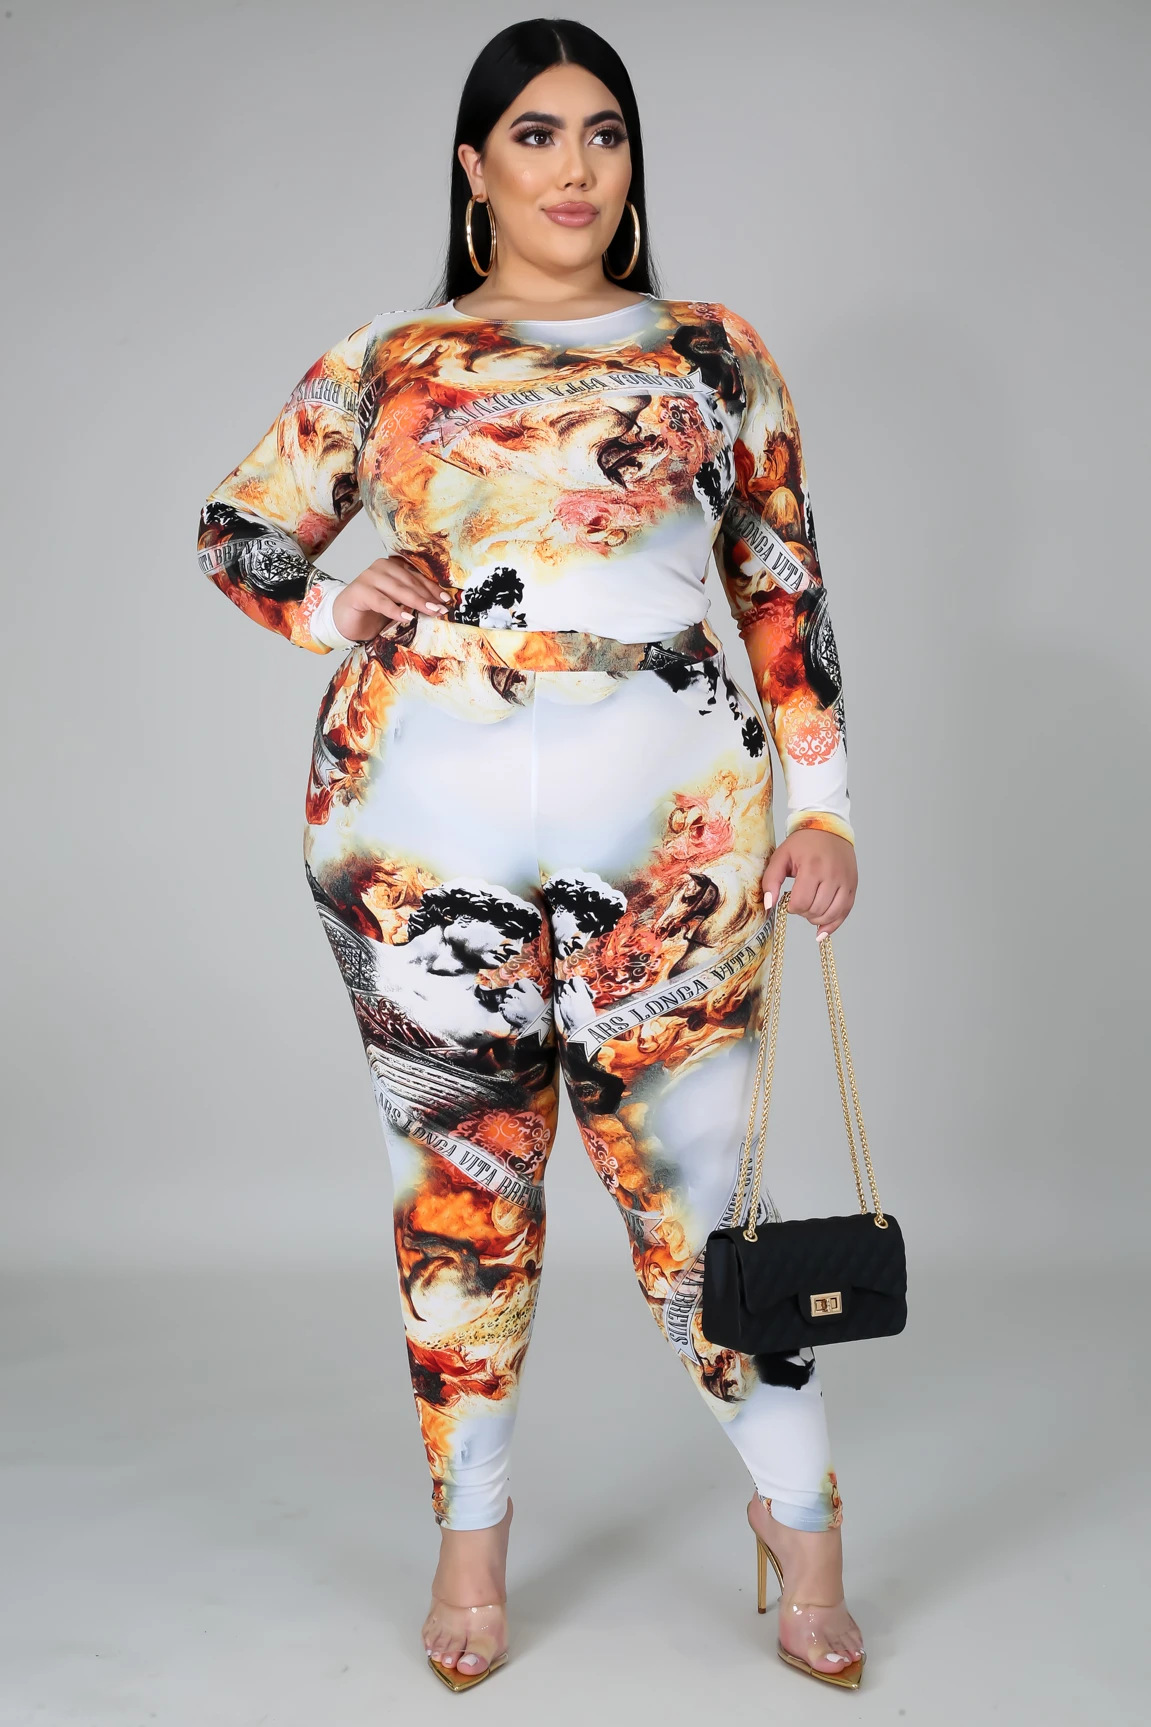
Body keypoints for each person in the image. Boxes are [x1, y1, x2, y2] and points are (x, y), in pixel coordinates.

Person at [196, 15, 864, 1693]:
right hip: (421, 840)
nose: (577, 168)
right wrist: (331, 602)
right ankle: (471, 1540)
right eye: (538, 134)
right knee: (462, 1192)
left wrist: (828, 805)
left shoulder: (712, 352)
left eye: (605, 133)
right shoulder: (393, 357)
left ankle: (803, 1518)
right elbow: (242, 527)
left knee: (702, 1200)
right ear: (475, 165)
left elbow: (782, 585)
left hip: (680, 845)